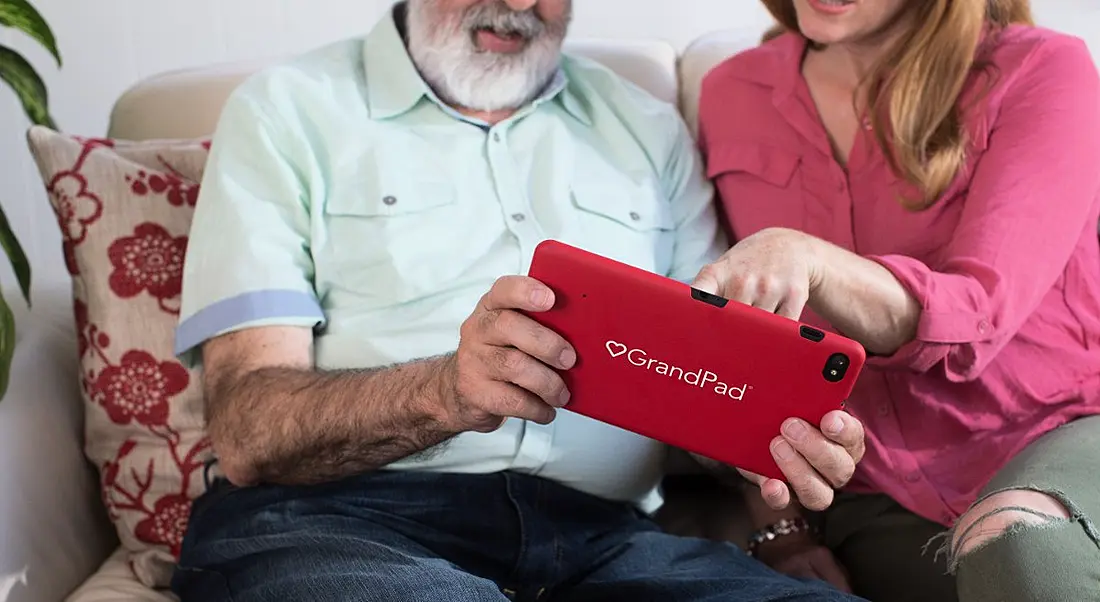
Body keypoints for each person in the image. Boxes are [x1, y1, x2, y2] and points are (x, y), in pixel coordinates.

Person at [169, 1, 869, 600]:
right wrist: (446, 392)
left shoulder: (647, 127)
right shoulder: (287, 109)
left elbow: (714, 377)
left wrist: (762, 446)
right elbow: (247, 429)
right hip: (340, 521)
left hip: (606, 541)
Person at [694, 0, 1100, 601]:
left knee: (1018, 540)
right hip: (869, 489)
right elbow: (743, 343)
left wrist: (811, 258)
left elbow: (977, 315)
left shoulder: (1041, 69)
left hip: (1053, 433)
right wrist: (781, 530)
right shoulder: (734, 90)